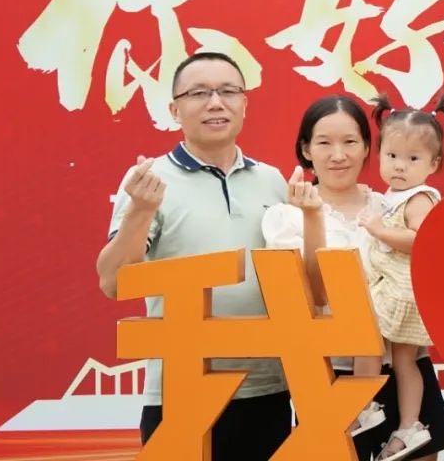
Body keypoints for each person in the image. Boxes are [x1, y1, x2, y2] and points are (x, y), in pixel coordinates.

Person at [95, 51, 325, 461]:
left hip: (267, 387)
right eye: (199, 93)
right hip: (182, 388)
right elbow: (113, 281)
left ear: (244, 105)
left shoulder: (271, 180)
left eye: (228, 91)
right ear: (174, 110)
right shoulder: (149, 181)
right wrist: (141, 211)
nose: (215, 103)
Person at [262, 94, 444, 461]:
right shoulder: (286, 216)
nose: (338, 154)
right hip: (332, 375)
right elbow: (311, 294)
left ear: (368, 148)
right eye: (324, 143)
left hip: (403, 367)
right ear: (305, 150)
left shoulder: (393, 205)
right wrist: (312, 217)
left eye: (350, 141)